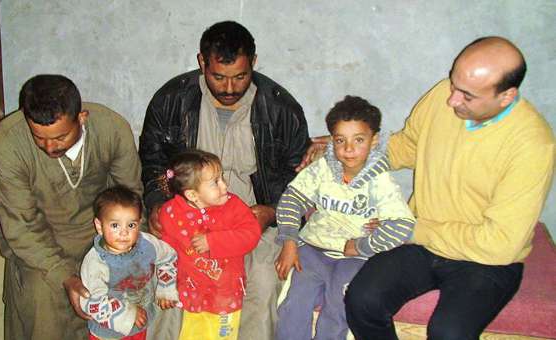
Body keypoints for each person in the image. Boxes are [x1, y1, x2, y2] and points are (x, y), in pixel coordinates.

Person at [342, 37, 555, 339]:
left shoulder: (533, 145)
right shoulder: (444, 94)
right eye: (454, 84)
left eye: (467, 96)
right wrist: (351, 151)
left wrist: (412, 230)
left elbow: (500, 243)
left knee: (449, 332)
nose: (452, 99)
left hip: (485, 260)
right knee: (362, 300)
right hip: (422, 245)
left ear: (506, 96)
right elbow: (408, 145)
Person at [139, 21, 310, 339]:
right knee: (167, 279)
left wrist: (272, 211)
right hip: (186, 216)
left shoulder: (280, 109)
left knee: (261, 281)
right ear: (202, 62)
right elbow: (154, 165)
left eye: (240, 76)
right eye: (218, 77)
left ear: (254, 64)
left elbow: (299, 182)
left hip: (255, 218)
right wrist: (158, 202)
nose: (230, 88)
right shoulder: (171, 101)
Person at [0, 74, 143, 340]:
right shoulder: (7, 144)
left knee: (135, 299)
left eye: (60, 137)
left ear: (81, 118)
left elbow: (131, 197)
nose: (49, 147)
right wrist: (65, 275)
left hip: (102, 233)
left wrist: (132, 252)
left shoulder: (112, 130)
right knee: (43, 301)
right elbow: (21, 227)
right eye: (39, 137)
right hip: (38, 244)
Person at [274, 96, 415, 340]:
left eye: (358, 140)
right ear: (332, 141)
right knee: (293, 304)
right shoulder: (323, 168)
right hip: (313, 249)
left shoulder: (380, 181)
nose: (348, 149)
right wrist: (289, 241)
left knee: (339, 308)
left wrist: (362, 245)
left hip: (355, 257)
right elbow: (292, 199)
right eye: (340, 140)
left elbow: (402, 225)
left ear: (374, 141)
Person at [157, 149, 261, 340]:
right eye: (216, 182)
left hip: (225, 294)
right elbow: (166, 251)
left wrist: (213, 241)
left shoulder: (233, 206)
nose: (225, 185)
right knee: (190, 335)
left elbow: (251, 234)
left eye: (222, 177)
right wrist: (166, 285)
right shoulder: (171, 213)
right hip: (192, 293)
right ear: (192, 195)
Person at [80, 186, 178, 340]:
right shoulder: (96, 262)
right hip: (107, 333)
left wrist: (166, 288)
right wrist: (128, 314)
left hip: (139, 325)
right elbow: (91, 301)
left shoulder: (148, 244)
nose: (124, 233)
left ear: (139, 223)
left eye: (131, 225)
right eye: (115, 225)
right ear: (99, 226)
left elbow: (169, 257)